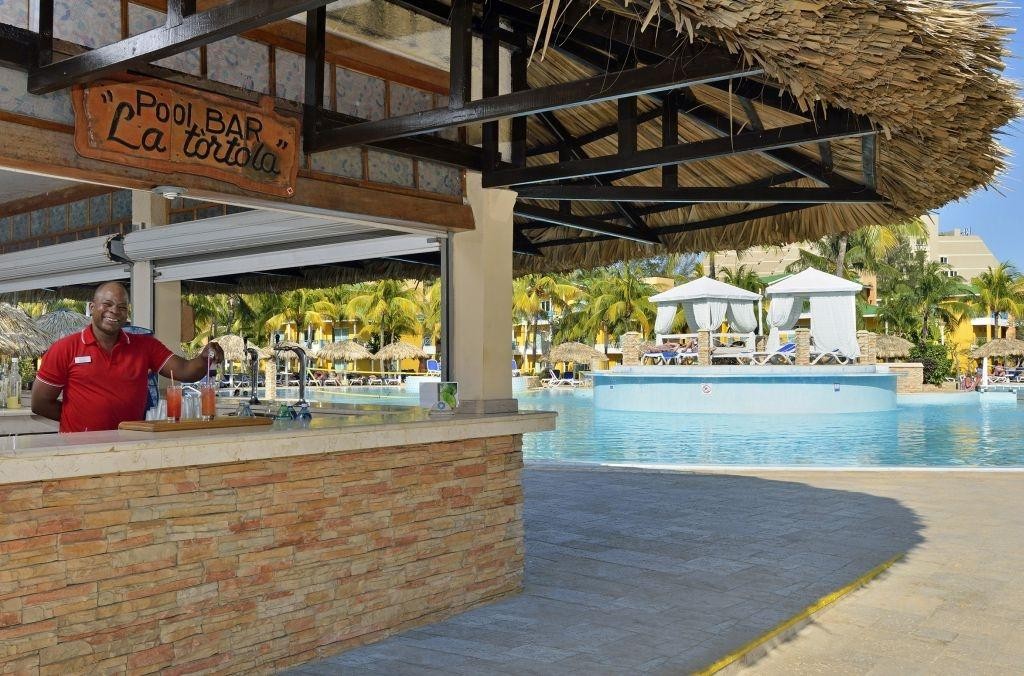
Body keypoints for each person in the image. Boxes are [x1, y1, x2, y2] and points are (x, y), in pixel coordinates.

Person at [31, 281, 224, 433]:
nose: (114, 311)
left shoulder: (145, 346)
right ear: (92, 307)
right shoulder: (65, 348)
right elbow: (40, 403)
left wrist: (204, 358)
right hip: (80, 447)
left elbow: (185, 371)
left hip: (130, 442)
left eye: (122, 307)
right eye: (107, 304)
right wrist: (78, 421)